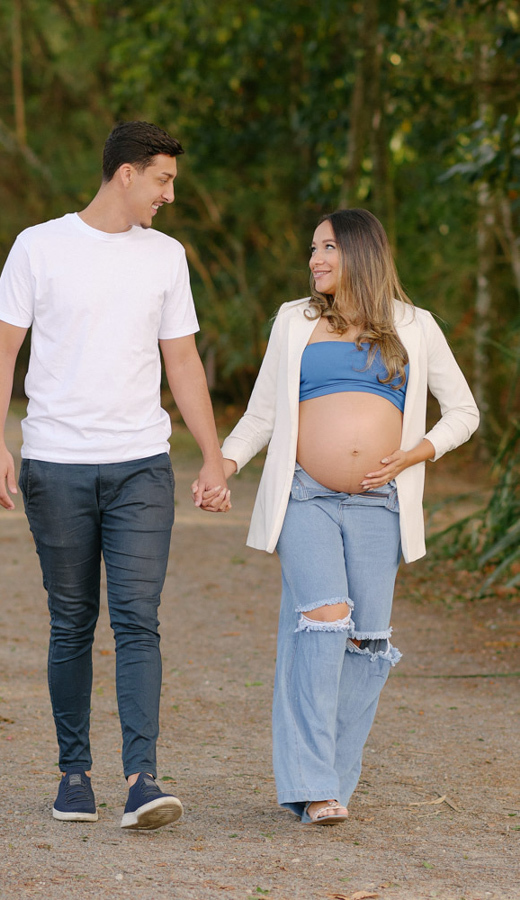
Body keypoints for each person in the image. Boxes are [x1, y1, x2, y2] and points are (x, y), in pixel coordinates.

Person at [0, 120, 229, 830]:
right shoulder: (39, 246)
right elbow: (2, 351)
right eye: (163, 179)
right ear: (127, 173)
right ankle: (73, 776)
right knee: (71, 621)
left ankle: (143, 779)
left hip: (141, 467)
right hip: (55, 464)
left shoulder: (167, 257)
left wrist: (210, 455)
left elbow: (181, 360)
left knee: (137, 621)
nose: (170, 195)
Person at [196, 208, 479, 825]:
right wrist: (224, 465)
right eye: (312, 249)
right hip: (306, 496)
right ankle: (314, 783)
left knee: (366, 641)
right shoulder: (294, 322)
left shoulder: (415, 326)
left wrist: (414, 452)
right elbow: (263, 413)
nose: (314, 259)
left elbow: (463, 411)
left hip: (382, 503)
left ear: (361, 252)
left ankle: (331, 784)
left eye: (327, 247)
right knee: (323, 618)